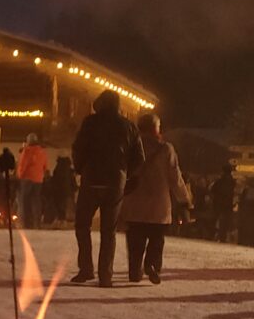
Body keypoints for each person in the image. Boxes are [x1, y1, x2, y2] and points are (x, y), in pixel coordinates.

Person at [71, 90, 144, 288]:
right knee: (108, 231)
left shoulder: (90, 123)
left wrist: (80, 168)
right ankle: (105, 275)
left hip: (91, 180)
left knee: (82, 225)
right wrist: (126, 174)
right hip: (115, 183)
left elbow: (78, 148)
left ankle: (86, 268)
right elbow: (139, 158)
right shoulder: (129, 127)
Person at [121, 112, 191, 285]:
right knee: (156, 239)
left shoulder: (131, 147)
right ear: (155, 128)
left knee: (135, 239)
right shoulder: (166, 149)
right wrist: (184, 199)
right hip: (159, 204)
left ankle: (134, 270)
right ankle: (152, 265)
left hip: (134, 202)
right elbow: (175, 178)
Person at [16, 132, 48, 229]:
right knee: (36, 202)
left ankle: (26, 223)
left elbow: (22, 165)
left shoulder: (27, 151)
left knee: (24, 202)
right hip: (38, 179)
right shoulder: (42, 152)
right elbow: (45, 166)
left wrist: (19, 176)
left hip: (27, 179)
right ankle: (37, 223)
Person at [210, 163, 236, 243]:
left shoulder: (219, 181)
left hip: (218, 203)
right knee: (225, 222)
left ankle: (212, 235)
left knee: (215, 219)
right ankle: (222, 237)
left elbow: (212, 190)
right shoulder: (233, 182)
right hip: (228, 204)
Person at [49, 155, 76, 223]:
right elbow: (73, 182)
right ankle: (68, 219)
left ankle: (60, 218)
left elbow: (54, 181)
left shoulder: (57, 170)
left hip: (58, 192)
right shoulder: (70, 171)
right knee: (67, 205)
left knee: (59, 205)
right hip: (68, 192)